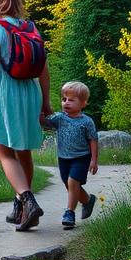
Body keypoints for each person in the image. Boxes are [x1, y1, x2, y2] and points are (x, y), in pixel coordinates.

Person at [0, 0, 52, 231]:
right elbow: (43, 68)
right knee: (24, 152)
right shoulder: (30, 27)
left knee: (5, 152)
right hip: (29, 92)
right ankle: (20, 209)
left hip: (4, 92)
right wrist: (46, 101)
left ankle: (28, 201)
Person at [40, 81, 99, 228]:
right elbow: (45, 123)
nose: (66, 103)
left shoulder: (87, 121)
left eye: (71, 100)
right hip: (63, 158)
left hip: (81, 158)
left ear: (83, 103)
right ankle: (87, 200)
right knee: (70, 185)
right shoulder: (59, 118)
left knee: (73, 182)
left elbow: (93, 140)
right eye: (64, 99)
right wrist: (40, 115)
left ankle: (69, 213)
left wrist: (94, 160)